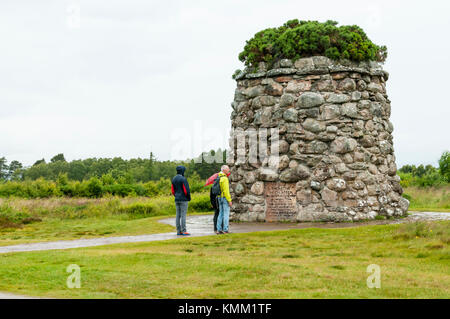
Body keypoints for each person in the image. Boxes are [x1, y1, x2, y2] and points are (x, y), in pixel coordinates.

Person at [171, 165, 191, 236]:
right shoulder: (183, 179)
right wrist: (188, 197)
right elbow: (186, 191)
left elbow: (173, 191)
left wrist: (176, 196)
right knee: (183, 215)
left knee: (177, 215)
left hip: (177, 199)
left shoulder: (173, 179)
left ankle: (178, 231)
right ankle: (184, 231)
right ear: (182, 171)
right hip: (183, 199)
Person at [216, 165, 232, 234]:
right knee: (226, 214)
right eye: (228, 169)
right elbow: (226, 191)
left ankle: (219, 229)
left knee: (220, 213)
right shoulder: (225, 178)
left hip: (219, 197)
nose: (229, 170)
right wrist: (229, 200)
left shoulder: (218, 177)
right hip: (224, 198)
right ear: (224, 170)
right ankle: (225, 229)